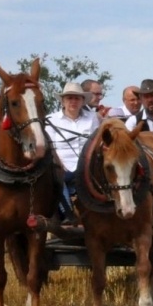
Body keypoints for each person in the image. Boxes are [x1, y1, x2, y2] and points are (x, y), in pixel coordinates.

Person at [46, 82, 100, 218]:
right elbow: (50, 148)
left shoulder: (92, 118)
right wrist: (60, 166)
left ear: (82, 101)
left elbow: (96, 144)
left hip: (88, 166)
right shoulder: (51, 120)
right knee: (56, 179)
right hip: (62, 167)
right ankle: (67, 214)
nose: (73, 101)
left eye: (77, 98)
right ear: (63, 101)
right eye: (69, 98)